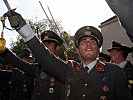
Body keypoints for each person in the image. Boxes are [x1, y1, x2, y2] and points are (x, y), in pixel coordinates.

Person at [5, 10, 133, 100]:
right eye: (83, 41)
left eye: (92, 41)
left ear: (98, 49)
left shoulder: (114, 72)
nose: (88, 44)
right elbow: (44, 56)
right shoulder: (69, 70)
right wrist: (23, 29)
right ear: (77, 50)